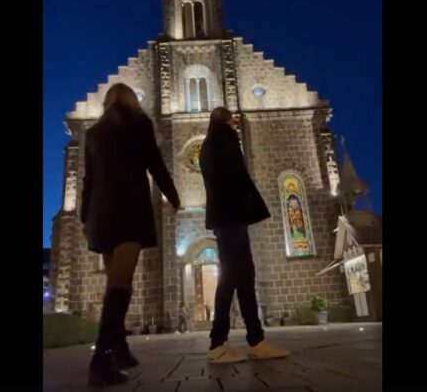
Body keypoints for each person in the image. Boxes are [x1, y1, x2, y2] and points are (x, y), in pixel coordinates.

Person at [81, 83, 182, 387]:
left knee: (116, 282)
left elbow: (88, 179)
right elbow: (155, 163)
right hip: (127, 211)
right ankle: (101, 361)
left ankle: (121, 349)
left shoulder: (94, 132)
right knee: (120, 287)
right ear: (130, 101)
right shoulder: (139, 124)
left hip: (101, 216)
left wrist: (86, 218)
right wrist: (173, 195)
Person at [199, 107, 290, 363]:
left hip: (225, 219)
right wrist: (251, 207)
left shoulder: (208, 144)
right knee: (232, 278)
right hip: (232, 218)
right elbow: (237, 177)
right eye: (234, 122)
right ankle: (219, 343)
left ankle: (255, 339)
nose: (236, 126)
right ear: (227, 121)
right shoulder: (225, 139)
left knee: (242, 277)